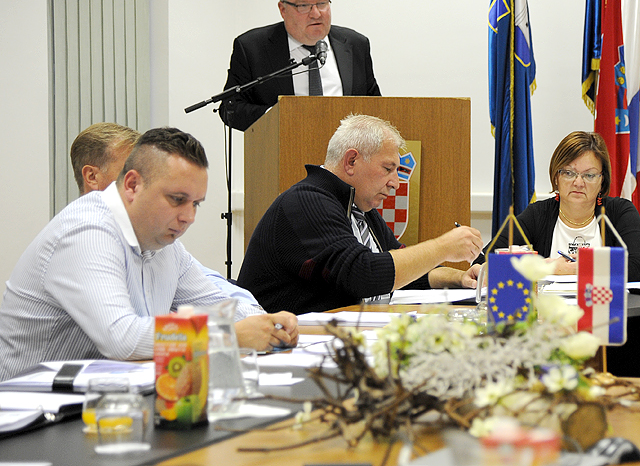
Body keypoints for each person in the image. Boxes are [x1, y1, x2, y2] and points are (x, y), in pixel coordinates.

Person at [0, 127, 298, 381]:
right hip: (31, 410)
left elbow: (219, 304)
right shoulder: (87, 231)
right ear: (132, 185)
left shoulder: (163, 243)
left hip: (107, 397)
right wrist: (227, 335)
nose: (189, 217)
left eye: (196, 203)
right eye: (177, 199)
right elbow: (122, 338)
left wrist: (269, 325)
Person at [237, 114, 483, 313]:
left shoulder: (358, 206)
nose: (396, 183)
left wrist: (459, 278)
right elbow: (363, 275)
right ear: (351, 161)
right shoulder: (306, 201)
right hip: (287, 346)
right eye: (388, 169)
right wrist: (442, 247)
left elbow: (401, 268)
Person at [69, 122, 259, 304]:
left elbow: (212, 292)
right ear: (92, 177)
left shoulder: (156, 238)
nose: (189, 218)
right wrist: (221, 327)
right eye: (128, 172)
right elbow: (125, 326)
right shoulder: (84, 240)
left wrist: (260, 318)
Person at [479, 131, 640, 282]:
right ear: (556, 177)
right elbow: (485, 261)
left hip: (604, 307)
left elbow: (638, 268)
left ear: (602, 181)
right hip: (548, 310)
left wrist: (579, 268)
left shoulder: (620, 213)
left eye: (589, 175)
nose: (578, 182)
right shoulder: (537, 214)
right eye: (569, 173)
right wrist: (549, 267)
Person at [219, 0, 380, 131]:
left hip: (346, 146)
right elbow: (230, 108)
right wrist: (273, 117)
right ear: (283, 9)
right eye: (303, 5)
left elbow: (375, 105)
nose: (316, 14)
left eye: (322, 3)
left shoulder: (356, 45)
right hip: (283, 143)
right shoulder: (252, 48)